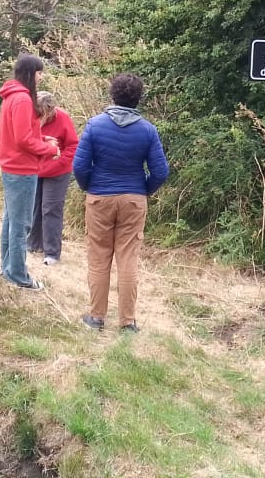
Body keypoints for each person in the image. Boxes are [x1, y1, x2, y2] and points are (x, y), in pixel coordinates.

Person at [73, 73, 169, 333]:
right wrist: (143, 191)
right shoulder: (147, 130)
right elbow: (160, 171)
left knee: (99, 257)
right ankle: (127, 322)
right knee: (128, 260)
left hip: (100, 197)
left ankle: (96, 318)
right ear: (138, 98)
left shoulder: (95, 125)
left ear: (113, 95)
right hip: (133, 199)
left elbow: (79, 166)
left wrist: (90, 187)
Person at [0, 54, 60, 290]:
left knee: (11, 222)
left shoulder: (12, 96)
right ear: (31, 73)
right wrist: (49, 149)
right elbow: (23, 140)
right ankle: (18, 275)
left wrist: (42, 139)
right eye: (39, 72)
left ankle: (8, 269)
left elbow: (21, 134)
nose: (41, 77)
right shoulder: (23, 99)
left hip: (11, 166)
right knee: (21, 225)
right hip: (21, 169)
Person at [27, 91, 78, 266]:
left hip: (57, 171)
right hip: (34, 169)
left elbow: (73, 145)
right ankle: (33, 244)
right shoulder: (29, 116)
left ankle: (52, 252)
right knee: (34, 207)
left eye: (43, 113)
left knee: (51, 209)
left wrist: (60, 162)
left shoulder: (62, 118)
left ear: (50, 111)